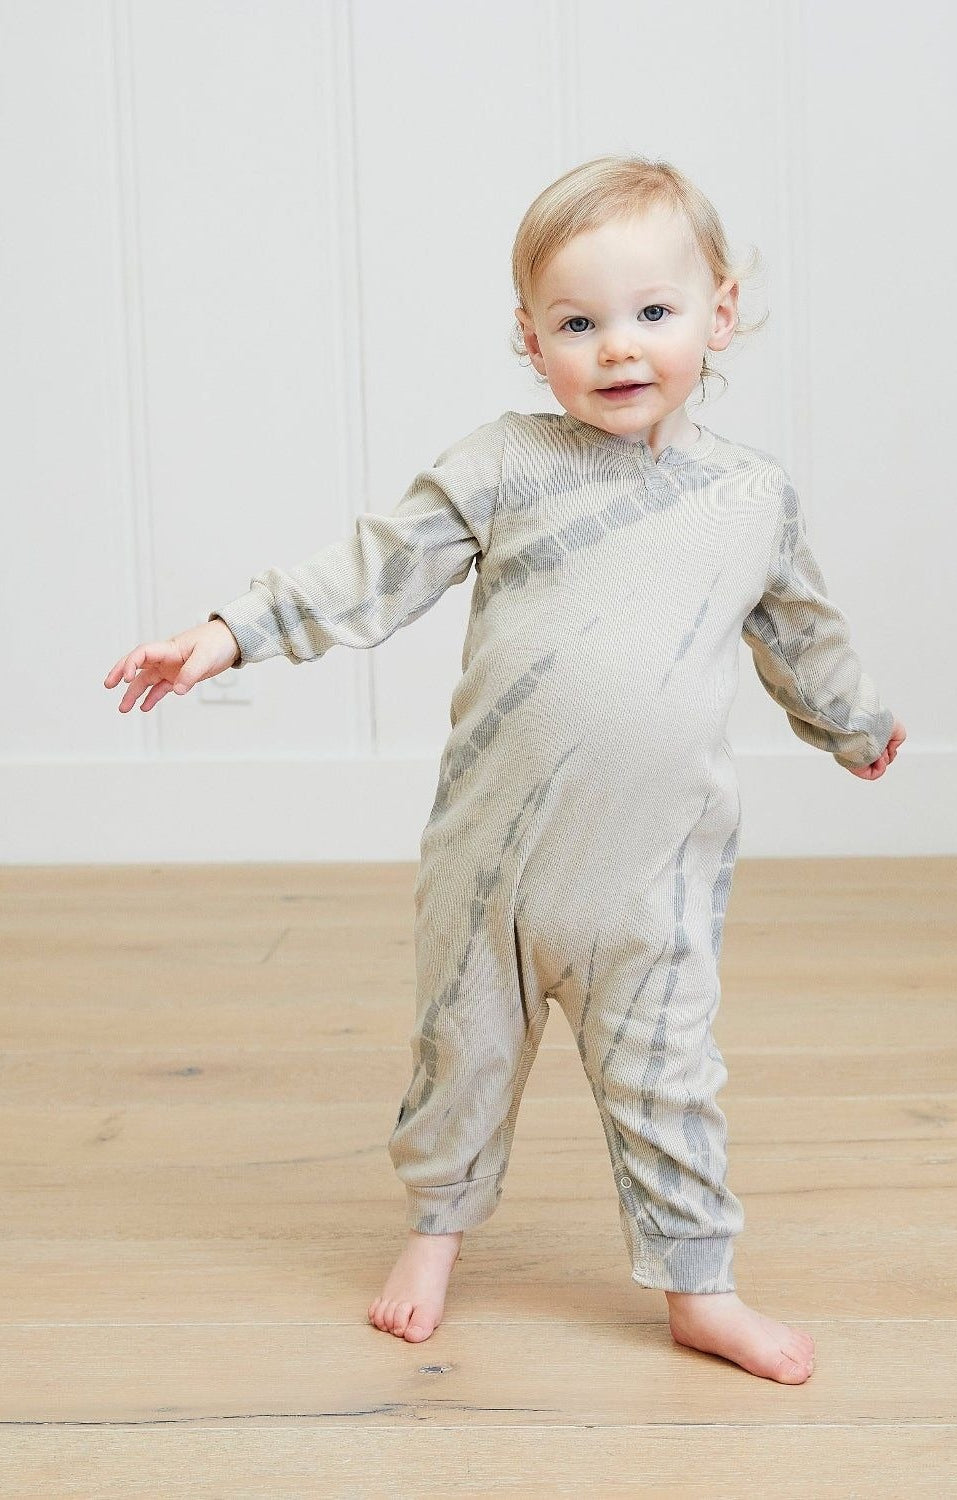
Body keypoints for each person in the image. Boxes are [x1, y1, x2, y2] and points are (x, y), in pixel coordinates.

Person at [104, 155, 906, 1386]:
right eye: (578, 323)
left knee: (670, 1075)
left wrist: (851, 723)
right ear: (531, 341)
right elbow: (374, 564)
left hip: (655, 873)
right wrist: (227, 633)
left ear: (721, 311)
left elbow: (798, 627)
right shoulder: (503, 465)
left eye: (654, 313)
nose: (619, 348)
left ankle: (701, 1284)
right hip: (492, 860)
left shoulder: (749, 496)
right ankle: (435, 1231)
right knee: (460, 1051)